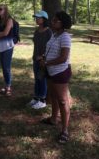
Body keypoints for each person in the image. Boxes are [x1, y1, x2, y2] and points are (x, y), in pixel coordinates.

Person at [39, 11, 72, 144]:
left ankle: (65, 131)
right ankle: (53, 119)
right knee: (53, 96)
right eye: (52, 20)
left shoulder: (65, 37)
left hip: (60, 72)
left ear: (62, 23)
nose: (52, 22)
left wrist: (46, 62)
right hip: (50, 71)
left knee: (63, 101)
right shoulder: (54, 35)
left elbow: (63, 58)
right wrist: (43, 58)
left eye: (55, 20)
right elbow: (52, 51)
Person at [28, 10, 52, 109]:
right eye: (36, 18)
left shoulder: (48, 32)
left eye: (39, 18)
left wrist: (42, 57)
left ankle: (43, 100)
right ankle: (36, 97)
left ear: (44, 19)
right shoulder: (37, 31)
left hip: (43, 60)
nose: (37, 19)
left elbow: (50, 47)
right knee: (37, 79)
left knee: (42, 79)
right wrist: (35, 56)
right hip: (35, 59)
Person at [0, 4, 14, 96]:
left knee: (6, 67)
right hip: (0, 46)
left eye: (0, 9)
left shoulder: (9, 20)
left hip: (8, 46)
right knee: (4, 67)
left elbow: (5, 33)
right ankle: (6, 86)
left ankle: (8, 87)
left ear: (5, 10)